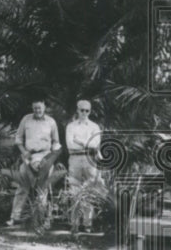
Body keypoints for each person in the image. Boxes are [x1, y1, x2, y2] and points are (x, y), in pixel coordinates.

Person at [7, 99, 62, 228]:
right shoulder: (26, 119)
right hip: (29, 156)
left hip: (45, 156)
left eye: (40, 108)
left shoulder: (51, 122)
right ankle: (14, 217)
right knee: (22, 187)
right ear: (32, 107)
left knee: (43, 189)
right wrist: (24, 152)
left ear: (44, 107)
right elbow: (18, 139)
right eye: (35, 108)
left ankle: (41, 219)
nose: (37, 111)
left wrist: (50, 158)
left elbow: (56, 142)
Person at [64, 99, 102, 232]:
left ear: (90, 111)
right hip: (74, 159)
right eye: (82, 110)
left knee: (89, 192)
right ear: (77, 110)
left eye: (87, 110)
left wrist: (79, 141)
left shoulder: (94, 127)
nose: (84, 113)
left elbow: (95, 144)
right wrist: (88, 144)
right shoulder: (71, 126)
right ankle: (74, 223)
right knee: (74, 191)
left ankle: (87, 224)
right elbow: (70, 145)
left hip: (90, 160)